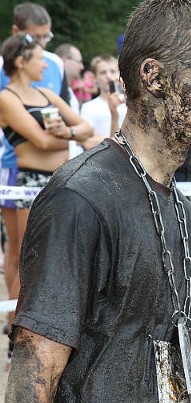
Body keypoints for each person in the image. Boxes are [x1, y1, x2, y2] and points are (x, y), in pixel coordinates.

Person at [5, 0, 191, 401]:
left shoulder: (182, 212)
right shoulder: (79, 199)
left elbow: (181, 360)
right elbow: (34, 370)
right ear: (154, 77)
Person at [0, 33, 93, 367]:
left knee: (57, 261)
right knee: (28, 261)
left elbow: (84, 125)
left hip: (58, 180)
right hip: (29, 183)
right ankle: (16, 336)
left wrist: (68, 134)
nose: (45, 63)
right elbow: (39, 140)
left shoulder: (46, 92)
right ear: (22, 62)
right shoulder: (7, 97)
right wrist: (72, 136)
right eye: (39, 57)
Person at [80, 54, 127, 148]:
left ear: (119, 74)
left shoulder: (128, 102)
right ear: (95, 78)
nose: (108, 76)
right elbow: (87, 142)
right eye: (103, 72)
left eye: (113, 71)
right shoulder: (88, 107)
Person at [54, 43, 84, 113]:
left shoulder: (67, 89)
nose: (82, 67)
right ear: (64, 60)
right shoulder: (54, 90)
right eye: (79, 62)